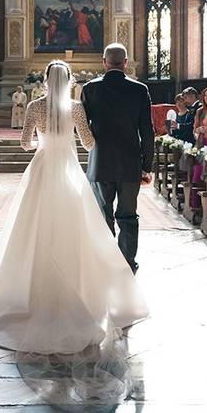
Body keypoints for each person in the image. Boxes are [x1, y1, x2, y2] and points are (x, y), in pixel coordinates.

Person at [0, 60, 148, 355]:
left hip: (42, 168)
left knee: (32, 229)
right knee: (73, 229)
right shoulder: (75, 108)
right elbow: (88, 144)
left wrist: (42, 141)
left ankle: (32, 292)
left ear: (47, 80)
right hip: (69, 170)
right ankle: (75, 292)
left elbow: (24, 144)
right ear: (70, 80)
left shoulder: (35, 106)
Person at [81, 43, 154, 273]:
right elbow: (147, 131)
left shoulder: (90, 89)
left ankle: (104, 264)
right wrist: (146, 165)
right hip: (130, 164)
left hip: (100, 163)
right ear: (125, 62)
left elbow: (82, 128)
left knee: (103, 214)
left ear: (104, 62)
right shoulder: (140, 89)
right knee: (128, 215)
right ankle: (127, 264)